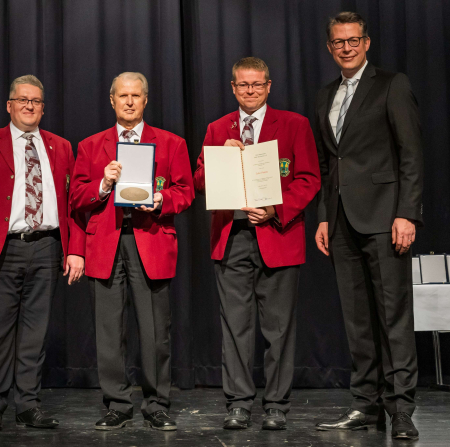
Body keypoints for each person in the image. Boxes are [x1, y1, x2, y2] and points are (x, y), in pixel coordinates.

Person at [312, 12, 423, 441]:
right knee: (358, 320)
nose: (346, 47)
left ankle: (401, 410)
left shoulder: (392, 85)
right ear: (329, 47)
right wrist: (324, 216)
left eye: (353, 40)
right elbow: (327, 165)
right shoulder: (325, 95)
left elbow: (411, 154)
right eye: (339, 42)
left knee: (393, 318)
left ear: (367, 42)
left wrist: (407, 213)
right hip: (341, 221)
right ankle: (365, 404)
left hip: (385, 218)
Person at [193, 57, 320, 430]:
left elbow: (309, 179)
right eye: (243, 85)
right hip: (231, 236)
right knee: (235, 326)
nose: (250, 91)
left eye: (257, 85)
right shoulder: (218, 128)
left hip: (277, 233)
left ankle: (277, 404)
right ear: (233, 88)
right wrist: (221, 161)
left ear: (269, 86)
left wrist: (274, 209)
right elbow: (199, 179)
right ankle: (237, 403)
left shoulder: (294, 125)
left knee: (278, 328)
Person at [0, 74, 85, 431]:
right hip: (3, 248)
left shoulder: (61, 146)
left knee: (34, 333)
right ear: (9, 105)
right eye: (23, 100)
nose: (29, 106)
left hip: (47, 248)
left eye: (36, 101)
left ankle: (28, 404)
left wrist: (75, 250)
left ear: (43, 108)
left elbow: (72, 204)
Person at [70, 72, 193, 431]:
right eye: (122, 95)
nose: (128, 101)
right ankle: (117, 403)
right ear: (111, 100)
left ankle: (156, 403)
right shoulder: (91, 146)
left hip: (150, 239)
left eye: (135, 96)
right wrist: (103, 184)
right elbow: (76, 197)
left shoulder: (170, 142)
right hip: (106, 242)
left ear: (145, 100)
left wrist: (161, 199)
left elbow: (185, 190)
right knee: (109, 330)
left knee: (156, 330)